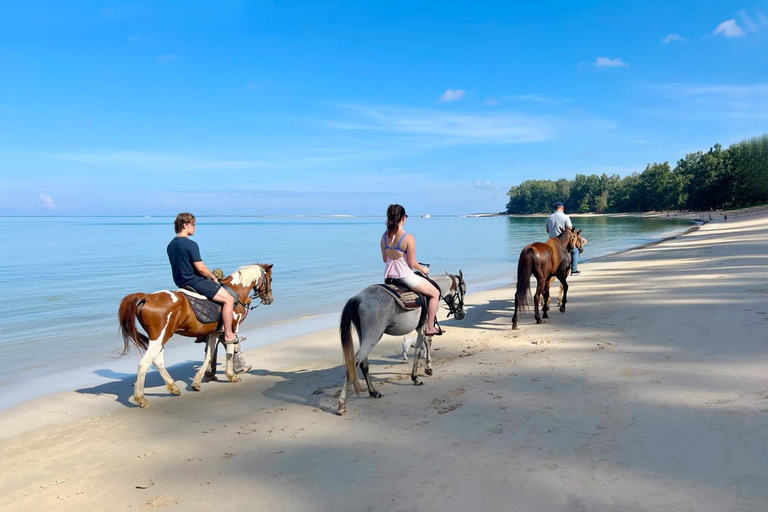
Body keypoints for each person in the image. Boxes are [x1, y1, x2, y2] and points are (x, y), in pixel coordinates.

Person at [167, 213, 239, 344]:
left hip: (181, 282)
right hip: (194, 281)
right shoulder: (190, 244)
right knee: (229, 299)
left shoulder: (171, 245)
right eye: (193, 225)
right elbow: (200, 268)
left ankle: (200, 335)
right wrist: (212, 276)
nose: (195, 227)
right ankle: (229, 334)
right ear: (184, 225)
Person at [381, 204, 442, 336]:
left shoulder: (384, 237)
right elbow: (412, 263)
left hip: (389, 277)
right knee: (435, 293)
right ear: (403, 218)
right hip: (405, 277)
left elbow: (385, 259)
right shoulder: (408, 238)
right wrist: (423, 269)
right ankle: (430, 327)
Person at [546, 201, 580, 275]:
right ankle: (574, 270)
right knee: (575, 251)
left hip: (551, 240)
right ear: (562, 208)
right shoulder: (565, 217)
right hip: (561, 241)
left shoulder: (549, 217)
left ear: (555, 209)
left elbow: (548, 230)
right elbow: (569, 230)